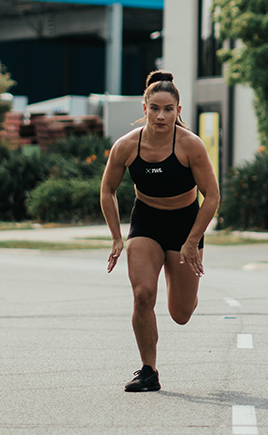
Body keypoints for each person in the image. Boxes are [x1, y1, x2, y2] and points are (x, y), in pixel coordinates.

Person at [101, 71, 220, 393]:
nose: (161, 115)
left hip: (185, 225)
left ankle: (186, 293)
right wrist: (116, 236)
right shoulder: (126, 146)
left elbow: (212, 196)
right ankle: (148, 370)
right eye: (154, 108)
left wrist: (193, 241)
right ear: (144, 108)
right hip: (146, 222)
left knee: (180, 314)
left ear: (178, 111)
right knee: (142, 295)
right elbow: (107, 191)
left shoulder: (190, 146)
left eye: (168, 109)